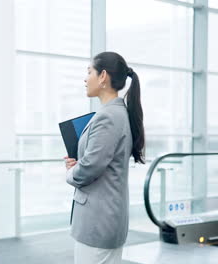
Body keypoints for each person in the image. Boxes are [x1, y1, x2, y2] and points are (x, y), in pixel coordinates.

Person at [64, 51, 145, 264]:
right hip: (104, 219)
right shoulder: (116, 113)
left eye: (89, 72)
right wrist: (80, 162)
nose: (85, 78)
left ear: (103, 77)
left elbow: (90, 168)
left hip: (98, 222)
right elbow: (99, 161)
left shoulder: (108, 117)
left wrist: (71, 172)